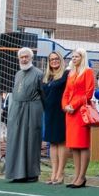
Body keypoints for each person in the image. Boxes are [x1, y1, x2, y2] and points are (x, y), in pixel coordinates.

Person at [5, 47, 44, 183]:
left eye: (26, 56)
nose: (24, 59)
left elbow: (43, 94)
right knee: (15, 140)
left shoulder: (39, 74)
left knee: (31, 140)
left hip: (32, 109)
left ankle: (32, 174)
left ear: (31, 58)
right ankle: (17, 173)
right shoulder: (17, 74)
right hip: (17, 110)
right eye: (21, 57)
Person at [62, 48, 95, 189]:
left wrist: (73, 105)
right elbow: (66, 92)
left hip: (81, 112)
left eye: (77, 56)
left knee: (83, 144)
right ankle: (76, 176)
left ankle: (82, 177)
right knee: (74, 145)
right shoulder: (71, 73)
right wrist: (65, 106)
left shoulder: (88, 72)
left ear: (83, 58)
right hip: (70, 113)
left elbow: (88, 93)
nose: (74, 58)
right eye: (73, 56)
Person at [43, 52, 69, 185]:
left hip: (61, 112)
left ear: (61, 60)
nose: (54, 61)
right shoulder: (46, 77)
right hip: (49, 112)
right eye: (51, 59)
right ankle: (53, 172)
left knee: (61, 142)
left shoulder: (66, 74)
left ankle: (60, 173)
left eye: (56, 58)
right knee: (52, 142)